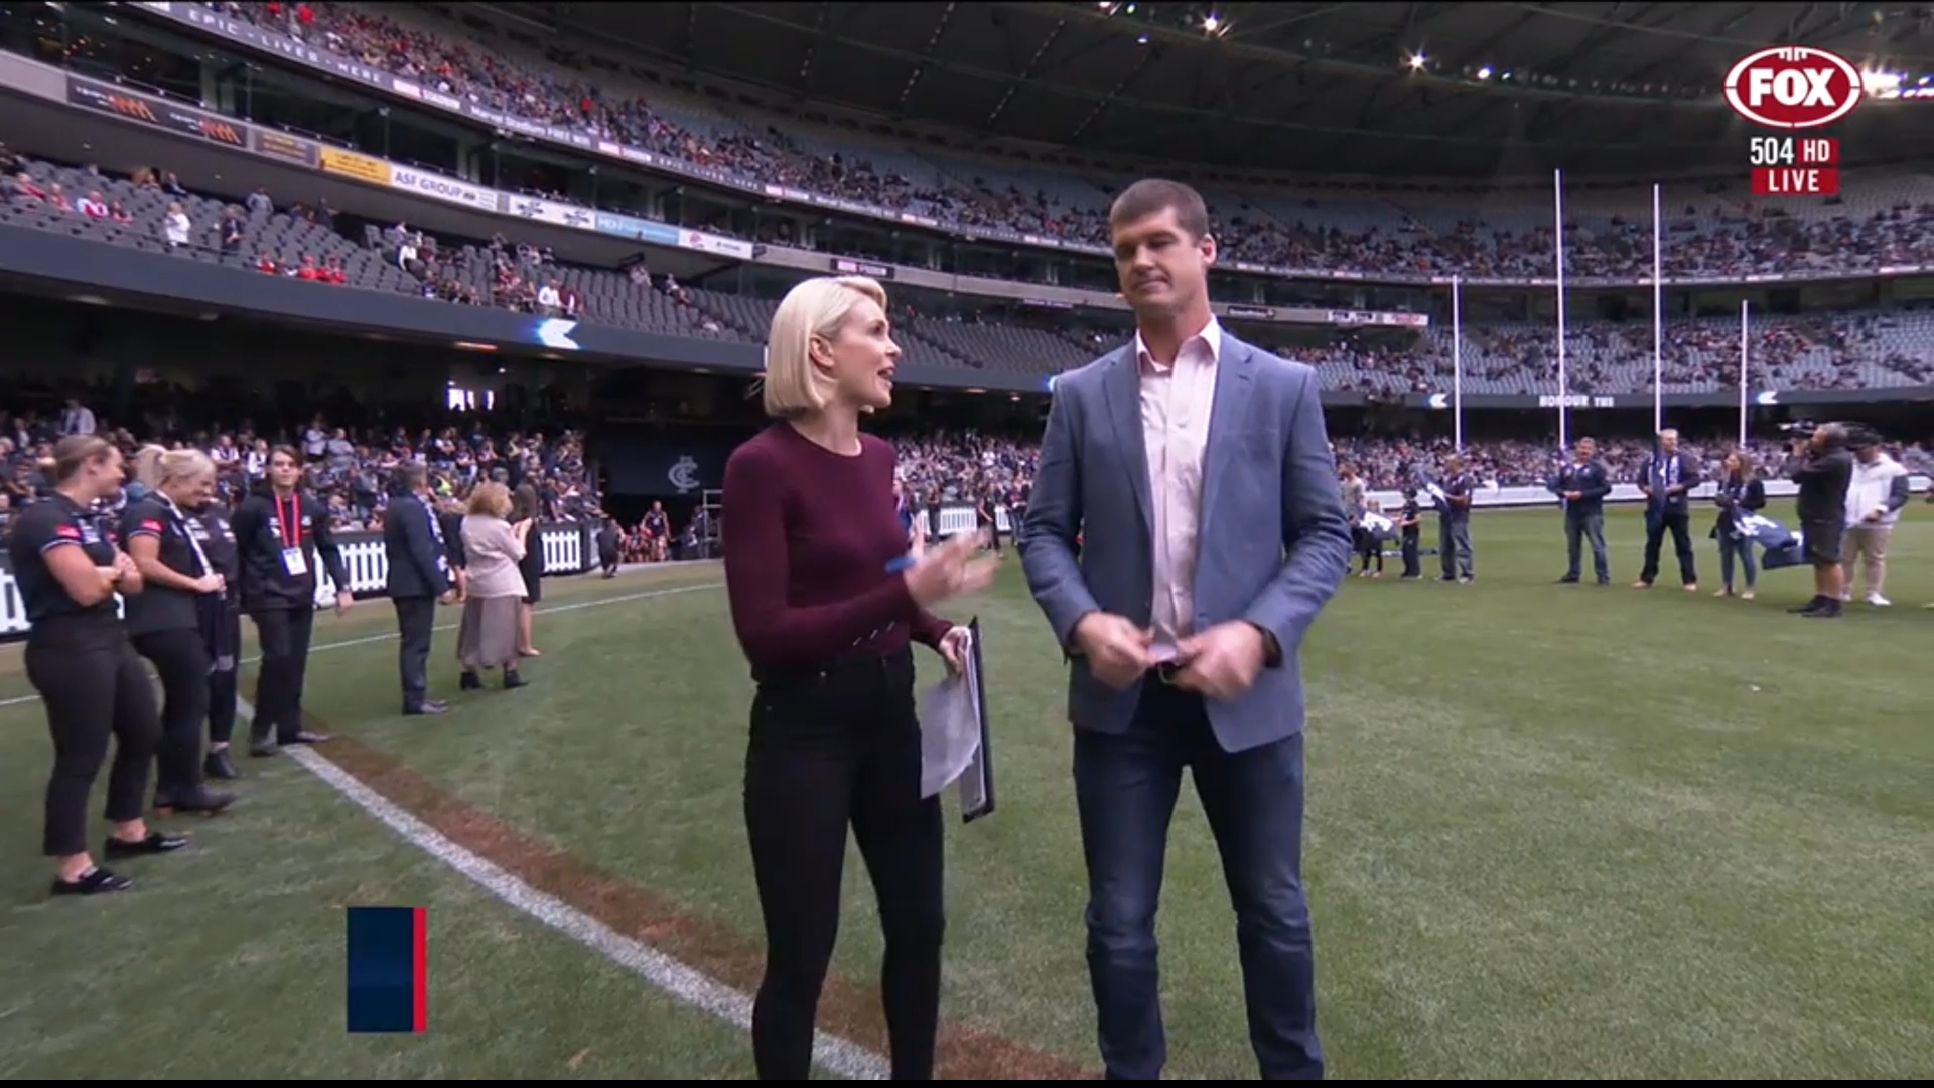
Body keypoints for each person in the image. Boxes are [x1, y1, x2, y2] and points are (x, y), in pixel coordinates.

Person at [1018, 178, 1352, 1080]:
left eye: (1159, 242)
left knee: (1274, 913)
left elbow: (1325, 533)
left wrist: (1261, 633)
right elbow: (1042, 531)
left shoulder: (1281, 387)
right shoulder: (1081, 394)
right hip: (1123, 707)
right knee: (1119, 926)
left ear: (1206, 250)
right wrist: (1082, 621)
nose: (1141, 261)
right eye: (1125, 250)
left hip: (1248, 699)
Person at [721, 275, 995, 1080]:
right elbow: (766, 635)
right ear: (820, 351)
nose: (893, 347)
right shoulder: (757, 467)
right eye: (875, 331)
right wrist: (909, 594)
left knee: (919, 927)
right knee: (801, 956)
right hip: (803, 735)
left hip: (890, 722)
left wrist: (934, 629)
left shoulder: (879, 458)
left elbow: (877, 584)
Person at [12, 435, 184, 895]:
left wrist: (109, 574)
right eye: (114, 464)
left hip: (109, 636)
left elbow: (133, 583)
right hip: (67, 645)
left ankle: (128, 831)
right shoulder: (45, 517)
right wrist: (110, 574)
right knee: (81, 753)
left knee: (143, 730)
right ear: (91, 464)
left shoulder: (86, 519)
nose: (122, 472)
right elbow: (86, 589)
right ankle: (72, 866)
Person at [121, 449, 236, 814]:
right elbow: (144, 561)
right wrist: (195, 584)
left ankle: (169, 789)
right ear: (178, 479)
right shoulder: (149, 510)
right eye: (203, 483)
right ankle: (187, 788)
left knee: (181, 704)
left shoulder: (167, 511)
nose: (208, 492)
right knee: (191, 701)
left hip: (174, 617)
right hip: (163, 619)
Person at [232, 445, 351, 756]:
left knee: (295, 661)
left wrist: (343, 587)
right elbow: (238, 550)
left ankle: (290, 728)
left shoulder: (310, 506)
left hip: (301, 593)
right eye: (278, 464)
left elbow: (327, 548)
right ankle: (261, 730)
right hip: (267, 595)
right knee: (278, 658)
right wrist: (242, 591)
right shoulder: (253, 508)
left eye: (290, 464)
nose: (284, 469)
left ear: (300, 471)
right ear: (268, 470)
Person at [385, 462, 457, 715]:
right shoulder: (411, 508)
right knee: (416, 644)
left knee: (414, 642)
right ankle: (415, 698)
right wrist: (441, 586)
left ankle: (417, 695)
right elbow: (421, 549)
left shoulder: (397, 505)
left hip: (405, 582)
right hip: (413, 585)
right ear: (419, 481)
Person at [193, 476, 245, 780]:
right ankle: (183, 754)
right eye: (199, 483)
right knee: (195, 683)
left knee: (226, 677)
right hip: (194, 610)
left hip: (227, 608)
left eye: (210, 483)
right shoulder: (173, 516)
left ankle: (219, 749)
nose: (206, 489)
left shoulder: (221, 513)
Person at [456, 481, 532, 691]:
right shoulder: (499, 526)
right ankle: (510, 672)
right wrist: (522, 532)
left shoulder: (467, 522)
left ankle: (467, 672)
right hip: (501, 582)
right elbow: (518, 552)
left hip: (476, 581)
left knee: (472, 628)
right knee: (507, 628)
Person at [1787, 423, 1855, 618]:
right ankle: (1822, 597)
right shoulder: (1829, 456)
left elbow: (1796, 475)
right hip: (1816, 515)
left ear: (1829, 440)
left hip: (1825, 516)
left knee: (1829, 560)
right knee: (1819, 560)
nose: (1812, 439)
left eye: (1817, 436)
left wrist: (1797, 454)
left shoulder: (1835, 460)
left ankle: (1834, 603)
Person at [1839, 434, 1910, 608]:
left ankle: (1874, 593)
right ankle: (1842, 591)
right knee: (1844, 558)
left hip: (1878, 522)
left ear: (1875, 447)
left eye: (1862, 449)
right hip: (1847, 520)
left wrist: (1880, 510)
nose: (1858, 453)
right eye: (1855, 450)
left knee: (1874, 559)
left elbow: (1900, 495)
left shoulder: (1894, 469)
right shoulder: (1848, 466)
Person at [1634, 428, 1700, 592]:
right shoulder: (1650, 461)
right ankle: (1647, 578)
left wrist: (1679, 486)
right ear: (1660, 441)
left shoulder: (1684, 459)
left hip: (1677, 507)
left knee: (1682, 544)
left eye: (1674, 439)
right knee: (1652, 545)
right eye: (1668, 439)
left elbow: (1695, 479)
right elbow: (1641, 481)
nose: (1672, 442)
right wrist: (1646, 488)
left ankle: (1689, 579)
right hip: (1655, 507)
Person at [1550, 436, 1612, 585]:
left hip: (1592, 512)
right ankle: (1573, 573)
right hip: (1572, 513)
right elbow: (1555, 485)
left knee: (1597, 545)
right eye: (1582, 448)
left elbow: (1606, 488)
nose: (1585, 451)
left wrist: (1582, 494)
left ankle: (1603, 576)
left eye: (1588, 449)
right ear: (1577, 449)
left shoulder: (1597, 469)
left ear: (1593, 451)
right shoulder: (1567, 468)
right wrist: (1563, 493)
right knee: (1573, 546)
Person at [1710, 449, 1766, 600]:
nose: (1729, 463)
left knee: (1746, 554)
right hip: (1725, 520)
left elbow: (1760, 502)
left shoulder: (1753, 482)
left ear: (1742, 463)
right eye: (1728, 460)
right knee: (1725, 554)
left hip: (1744, 521)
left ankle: (1750, 587)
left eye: (1733, 461)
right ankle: (1726, 585)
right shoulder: (1724, 480)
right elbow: (1719, 497)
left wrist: (1739, 503)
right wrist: (1721, 501)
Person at [511, 482, 544, 658]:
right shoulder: (528, 521)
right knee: (526, 604)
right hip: (529, 563)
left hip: (518, 564)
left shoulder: (512, 519)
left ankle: (519, 642)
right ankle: (525, 645)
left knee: (520, 604)